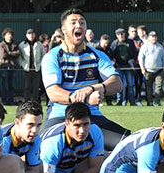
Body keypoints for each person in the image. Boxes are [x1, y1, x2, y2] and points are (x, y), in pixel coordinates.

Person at [40, 9, 127, 151]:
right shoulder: (52, 57)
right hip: (62, 116)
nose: (78, 26)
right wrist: (86, 99)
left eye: (82, 22)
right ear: (63, 29)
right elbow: (53, 93)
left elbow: (117, 84)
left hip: (92, 117)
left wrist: (93, 88)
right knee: (44, 149)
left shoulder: (97, 55)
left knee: (127, 144)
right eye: (73, 23)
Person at [138, 31, 164, 106]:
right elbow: (141, 58)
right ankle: (150, 102)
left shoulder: (160, 47)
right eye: (152, 36)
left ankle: (157, 101)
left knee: (159, 86)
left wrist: (163, 67)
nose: (154, 38)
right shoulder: (145, 46)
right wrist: (142, 68)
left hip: (159, 71)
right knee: (148, 87)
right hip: (148, 70)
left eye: (155, 36)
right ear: (149, 37)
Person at [111, 28, 138, 106]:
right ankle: (119, 101)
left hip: (128, 66)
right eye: (119, 34)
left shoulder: (130, 42)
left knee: (130, 84)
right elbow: (112, 54)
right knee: (119, 85)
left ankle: (132, 101)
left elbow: (134, 53)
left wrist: (132, 61)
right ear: (116, 35)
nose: (121, 35)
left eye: (122, 34)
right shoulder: (114, 43)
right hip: (118, 66)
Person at [18, 28, 45, 103]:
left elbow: (43, 54)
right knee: (27, 87)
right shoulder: (22, 45)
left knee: (36, 87)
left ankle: (35, 102)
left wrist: (40, 64)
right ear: (26, 35)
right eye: (29, 34)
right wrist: (23, 64)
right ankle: (27, 102)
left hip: (36, 69)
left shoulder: (39, 44)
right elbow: (19, 56)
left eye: (32, 34)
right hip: (27, 69)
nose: (31, 35)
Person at [0, 28, 20, 105]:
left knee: (12, 85)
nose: (9, 36)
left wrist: (9, 53)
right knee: (5, 85)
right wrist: (11, 54)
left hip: (13, 67)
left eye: (10, 35)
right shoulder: (1, 45)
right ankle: (4, 100)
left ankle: (11, 100)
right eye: (8, 35)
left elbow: (18, 53)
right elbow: (3, 55)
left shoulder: (15, 44)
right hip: (4, 67)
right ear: (4, 36)